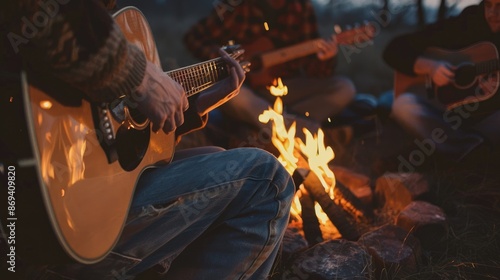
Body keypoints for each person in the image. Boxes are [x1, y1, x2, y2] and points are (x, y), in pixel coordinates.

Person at [0, 0, 295, 279]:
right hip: (41, 215)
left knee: (214, 154)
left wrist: (197, 105)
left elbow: (123, 134)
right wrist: (139, 78)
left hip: (70, 199)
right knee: (266, 180)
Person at [183, 0, 356, 139]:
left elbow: (316, 72)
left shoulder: (301, 8)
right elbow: (193, 38)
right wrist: (226, 59)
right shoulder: (236, 6)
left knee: (344, 88)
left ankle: (263, 129)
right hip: (246, 91)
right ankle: (304, 131)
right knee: (230, 94)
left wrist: (327, 57)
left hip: (287, 90)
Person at [383, 0, 500, 167]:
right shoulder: (466, 23)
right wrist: (430, 67)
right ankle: (470, 151)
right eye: (489, 5)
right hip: (442, 117)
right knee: (403, 105)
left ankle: (449, 152)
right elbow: (394, 48)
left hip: (483, 122)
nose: (492, 13)